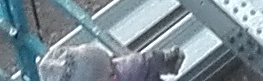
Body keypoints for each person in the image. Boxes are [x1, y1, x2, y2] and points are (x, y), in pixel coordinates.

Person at [42, 41, 184, 81]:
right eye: (110, 76)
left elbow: (141, 64)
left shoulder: (121, 70)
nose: (115, 73)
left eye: (111, 63)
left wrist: (164, 60)